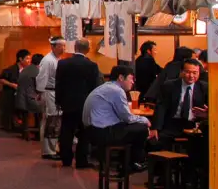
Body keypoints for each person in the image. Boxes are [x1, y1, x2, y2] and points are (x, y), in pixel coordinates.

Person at [82, 65, 150, 172]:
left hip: (91, 131)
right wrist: (145, 120)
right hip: (101, 132)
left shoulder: (105, 87)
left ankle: (125, 163)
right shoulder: (117, 90)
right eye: (131, 79)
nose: (133, 82)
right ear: (121, 78)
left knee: (131, 129)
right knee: (142, 129)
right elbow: (127, 117)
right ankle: (132, 163)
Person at [55, 39, 102, 168]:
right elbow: (94, 87)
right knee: (84, 133)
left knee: (66, 131)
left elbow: (58, 85)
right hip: (85, 104)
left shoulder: (63, 63)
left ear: (75, 48)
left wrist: (58, 101)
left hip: (68, 103)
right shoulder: (92, 66)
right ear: (87, 50)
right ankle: (81, 161)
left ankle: (66, 159)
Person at [150, 58, 209, 146]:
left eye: (195, 73)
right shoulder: (169, 86)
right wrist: (155, 128)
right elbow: (161, 107)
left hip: (194, 125)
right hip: (173, 124)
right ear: (181, 72)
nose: (191, 76)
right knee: (155, 142)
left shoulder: (204, 87)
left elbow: (209, 108)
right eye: (188, 72)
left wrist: (207, 113)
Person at [36, 36, 66, 160]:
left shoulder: (57, 59)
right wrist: (41, 92)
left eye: (64, 46)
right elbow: (42, 78)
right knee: (50, 121)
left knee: (55, 121)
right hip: (48, 93)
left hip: (55, 93)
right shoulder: (48, 60)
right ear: (53, 46)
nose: (63, 48)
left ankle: (53, 148)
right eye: (61, 46)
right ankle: (48, 150)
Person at [0, 49, 32, 130]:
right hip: (11, 94)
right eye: (27, 58)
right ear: (20, 59)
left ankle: (24, 126)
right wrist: (12, 85)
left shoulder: (28, 70)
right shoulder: (11, 69)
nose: (29, 61)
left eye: (29, 59)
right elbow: (0, 79)